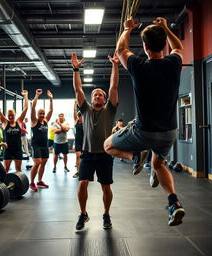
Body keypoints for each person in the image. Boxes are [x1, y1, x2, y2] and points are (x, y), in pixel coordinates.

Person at [104, 16, 185, 226]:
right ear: (164, 43)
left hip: (144, 131)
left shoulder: (139, 66)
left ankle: (135, 155)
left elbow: (121, 50)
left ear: (145, 46)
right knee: (158, 164)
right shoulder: (174, 63)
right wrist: (166, 28)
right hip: (169, 132)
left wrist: (127, 29)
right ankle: (174, 203)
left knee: (107, 145)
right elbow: (178, 48)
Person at [71, 52, 119, 230]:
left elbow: (113, 87)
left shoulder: (110, 110)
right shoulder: (85, 110)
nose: (98, 96)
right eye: (95, 95)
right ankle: (83, 214)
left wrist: (115, 65)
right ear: (91, 99)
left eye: (100, 95)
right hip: (87, 154)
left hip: (105, 155)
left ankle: (106, 214)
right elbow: (78, 90)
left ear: (105, 99)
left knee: (106, 187)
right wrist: (76, 69)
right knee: (82, 182)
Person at [0, 86, 29, 173]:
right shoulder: (5, 123)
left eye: (12, 115)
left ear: (15, 115)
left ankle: (18, 185)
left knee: (19, 169)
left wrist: (25, 96)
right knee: (5, 169)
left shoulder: (19, 122)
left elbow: (26, 108)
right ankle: (4, 185)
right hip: (8, 149)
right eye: (9, 115)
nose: (10, 117)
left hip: (18, 149)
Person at [29, 89, 53, 191]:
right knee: (37, 162)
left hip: (44, 145)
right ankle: (31, 183)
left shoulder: (46, 121)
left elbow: (51, 111)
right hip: (36, 145)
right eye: (40, 113)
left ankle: (39, 181)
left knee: (43, 162)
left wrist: (51, 99)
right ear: (37, 115)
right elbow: (33, 107)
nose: (42, 115)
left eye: (43, 113)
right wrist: (36, 95)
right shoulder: (34, 121)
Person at [73, 101, 84, 178]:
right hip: (77, 141)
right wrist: (75, 104)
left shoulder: (86, 122)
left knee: (83, 157)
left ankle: (83, 171)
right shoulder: (76, 121)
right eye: (79, 116)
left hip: (84, 142)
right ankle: (78, 171)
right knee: (78, 156)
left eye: (81, 116)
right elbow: (74, 112)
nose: (80, 117)